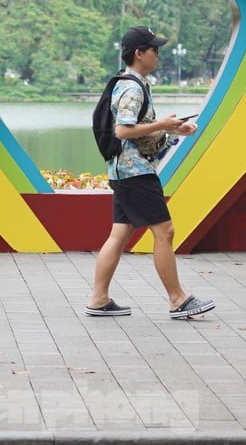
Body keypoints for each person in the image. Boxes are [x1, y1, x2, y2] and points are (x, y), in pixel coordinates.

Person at [85, 25, 215, 320]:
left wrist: (174, 128)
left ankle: (98, 299)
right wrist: (162, 125)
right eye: (154, 49)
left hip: (124, 171)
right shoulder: (132, 87)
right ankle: (178, 300)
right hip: (135, 173)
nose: (158, 53)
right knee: (164, 232)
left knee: (119, 234)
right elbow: (123, 130)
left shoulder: (133, 83)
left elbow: (137, 131)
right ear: (138, 53)